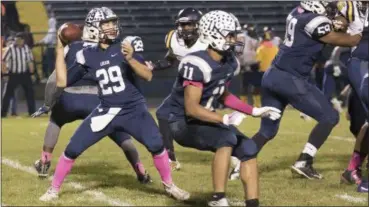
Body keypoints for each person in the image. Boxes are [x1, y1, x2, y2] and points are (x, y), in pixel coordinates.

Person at [39, 7, 189, 202]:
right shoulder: (87, 55)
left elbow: (147, 75)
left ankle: (170, 185)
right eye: (106, 23)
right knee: (72, 148)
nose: (111, 27)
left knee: (157, 145)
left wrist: (130, 59)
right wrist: (60, 49)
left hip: (133, 110)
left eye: (112, 22)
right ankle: (53, 189)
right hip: (106, 110)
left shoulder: (125, 46)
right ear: (94, 28)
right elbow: (61, 82)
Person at [157, 10, 281, 206]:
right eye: (230, 35)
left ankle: (253, 203)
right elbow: (191, 108)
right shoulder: (196, 63)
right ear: (213, 35)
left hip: (205, 118)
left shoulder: (229, 61)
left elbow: (222, 94)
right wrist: (224, 120)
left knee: (249, 148)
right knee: (226, 138)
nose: (235, 39)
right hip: (181, 122)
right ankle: (218, 198)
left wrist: (253, 111)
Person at [31, 8, 151, 185]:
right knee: (120, 133)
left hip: (70, 98)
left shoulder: (72, 47)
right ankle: (140, 170)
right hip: (98, 99)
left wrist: (48, 104)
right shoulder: (111, 49)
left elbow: (54, 80)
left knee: (55, 120)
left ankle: (44, 162)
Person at [248, 1, 362, 180]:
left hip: (272, 75)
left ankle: (240, 163)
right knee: (330, 117)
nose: (330, 6)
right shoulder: (314, 21)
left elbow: (327, 27)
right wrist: (361, 32)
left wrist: (339, 21)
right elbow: (346, 40)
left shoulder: (297, 12)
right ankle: (304, 161)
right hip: (290, 78)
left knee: (267, 131)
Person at [153, 7, 206, 170]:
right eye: (182, 25)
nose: (185, 29)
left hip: (204, 86)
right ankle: (169, 157)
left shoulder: (208, 40)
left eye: (189, 25)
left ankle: (236, 153)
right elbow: (170, 60)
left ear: (198, 25)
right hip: (183, 85)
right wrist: (154, 66)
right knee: (163, 113)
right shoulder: (173, 39)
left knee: (206, 123)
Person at [1, 32, 36, 117]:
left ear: (23, 40)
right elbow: (3, 62)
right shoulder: (10, 49)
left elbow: (30, 61)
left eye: (19, 39)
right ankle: (3, 113)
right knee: (7, 95)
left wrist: (32, 73)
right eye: (16, 39)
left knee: (30, 93)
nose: (17, 41)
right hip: (13, 74)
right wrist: (5, 74)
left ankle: (32, 112)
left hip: (24, 74)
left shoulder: (26, 48)